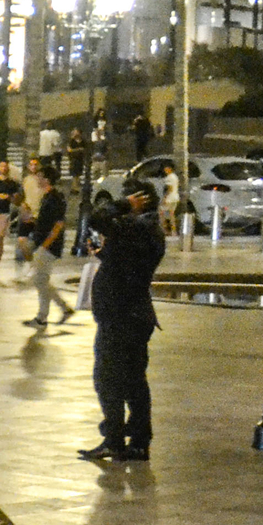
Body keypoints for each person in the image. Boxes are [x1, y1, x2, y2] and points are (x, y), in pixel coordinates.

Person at [82, 180, 163, 462]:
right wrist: (105, 253)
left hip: (122, 317)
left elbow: (95, 216)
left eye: (128, 198)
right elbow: (129, 262)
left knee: (107, 379)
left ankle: (115, 438)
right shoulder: (146, 231)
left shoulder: (136, 227)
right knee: (132, 381)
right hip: (132, 315)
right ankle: (138, 441)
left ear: (140, 201)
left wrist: (125, 205)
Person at [23, 163, 73, 329]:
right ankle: (64, 308)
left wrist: (45, 245)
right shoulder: (46, 196)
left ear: (46, 179)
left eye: (40, 175)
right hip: (42, 243)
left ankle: (42, 318)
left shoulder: (55, 198)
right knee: (41, 280)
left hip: (49, 246)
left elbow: (58, 224)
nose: (37, 178)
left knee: (39, 280)